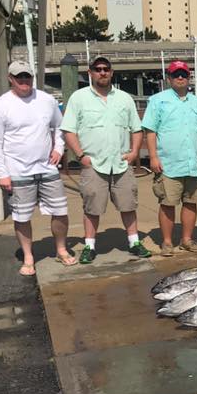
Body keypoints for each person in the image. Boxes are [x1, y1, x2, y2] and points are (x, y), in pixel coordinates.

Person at [0, 60, 76, 276]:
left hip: (47, 168)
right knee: (22, 216)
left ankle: (61, 249)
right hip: (17, 170)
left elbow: (59, 127)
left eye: (27, 76)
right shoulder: (0, 106)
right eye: (19, 77)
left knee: (60, 212)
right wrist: (2, 173)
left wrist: (59, 149)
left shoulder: (46, 100)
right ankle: (28, 256)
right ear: (11, 79)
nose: (24, 81)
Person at [61, 55, 151, 264]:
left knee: (128, 205)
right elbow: (69, 131)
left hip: (120, 163)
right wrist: (81, 156)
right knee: (92, 208)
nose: (102, 72)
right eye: (98, 69)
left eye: (106, 69)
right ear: (90, 72)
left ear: (111, 72)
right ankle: (90, 246)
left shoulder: (124, 98)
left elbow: (136, 129)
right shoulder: (78, 98)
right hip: (94, 164)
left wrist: (134, 152)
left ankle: (134, 242)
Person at [142, 59, 197, 256]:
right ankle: (167, 242)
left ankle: (187, 239)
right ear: (169, 78)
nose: (180, 78)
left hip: (194, 163)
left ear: (189, 77)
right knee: (167, 203)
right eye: (176, 75)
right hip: (169, 164)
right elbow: (150, 130)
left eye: (184, 74)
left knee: (191, 202)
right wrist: (153, 157)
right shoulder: (158, 100)